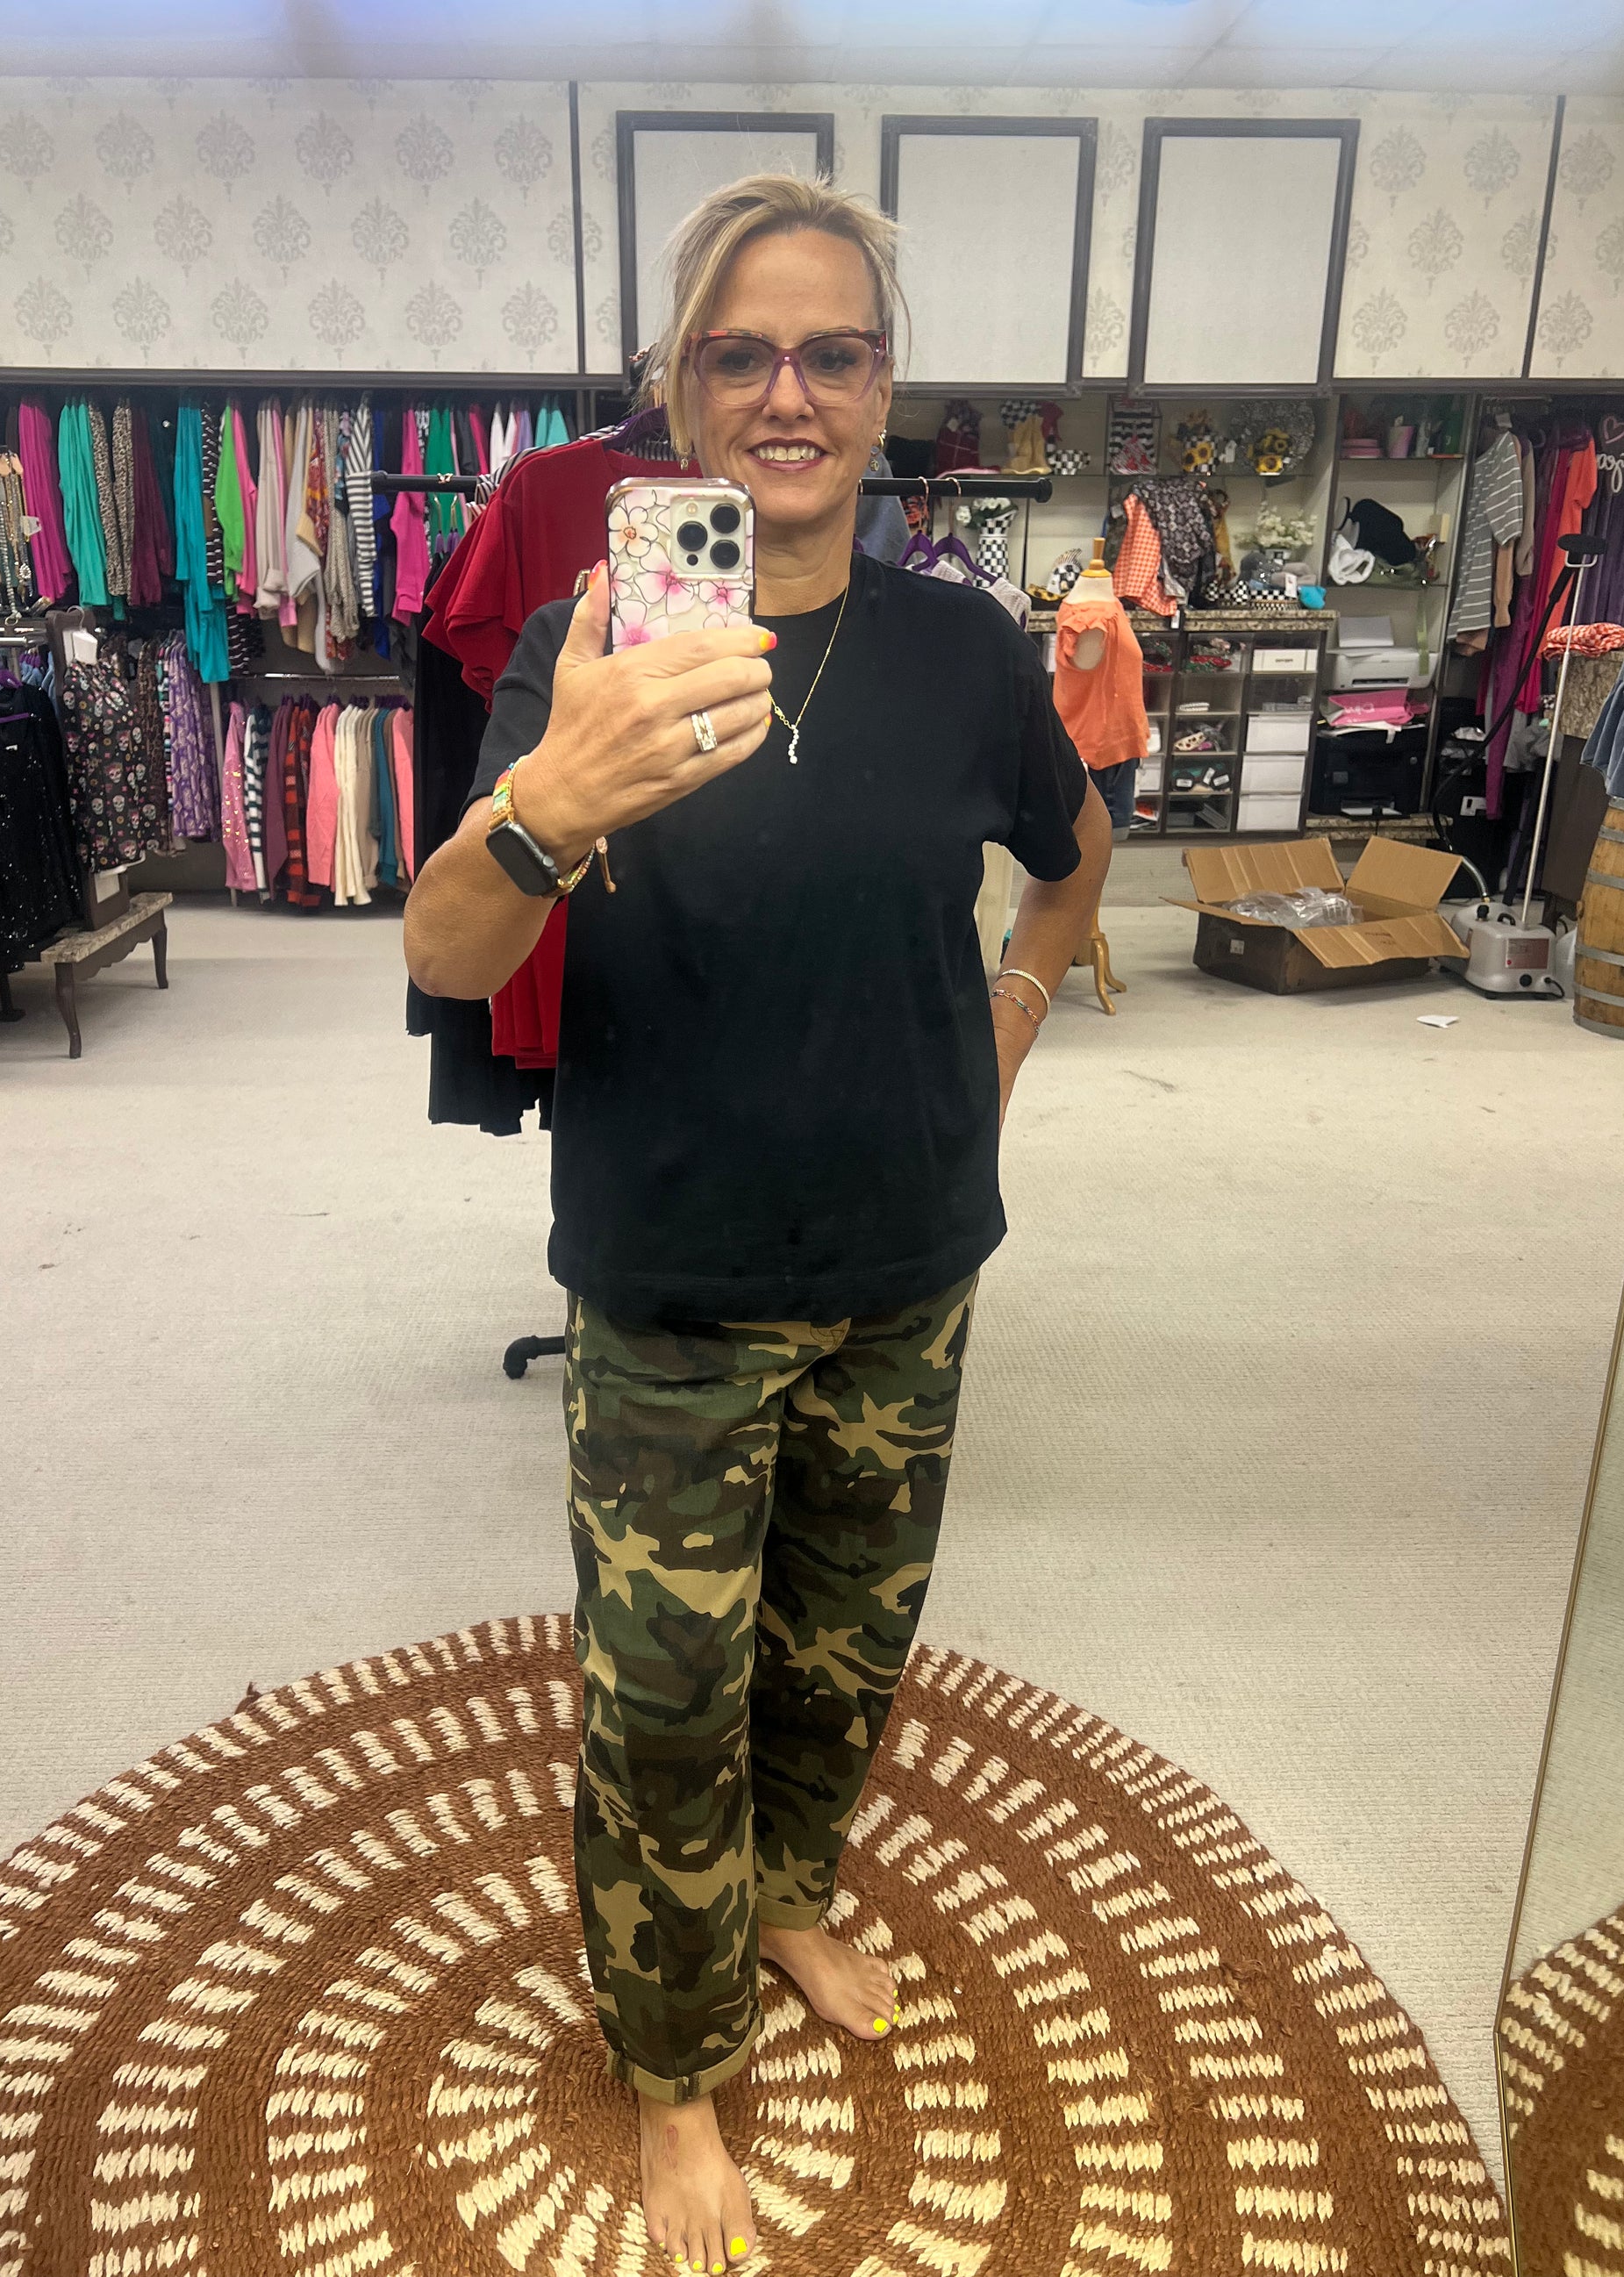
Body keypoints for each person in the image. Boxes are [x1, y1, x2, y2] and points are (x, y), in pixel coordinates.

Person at [404, 172, 1111, 2273]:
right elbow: (445, 953)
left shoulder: (962, 648)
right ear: (680, 391)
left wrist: (1005, 1022)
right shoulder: (587, 647)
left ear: (885, 389)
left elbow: (1069, 854)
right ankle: (673, 2064)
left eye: (832, 353)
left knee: (839, 1650)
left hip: (912, 1256)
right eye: (740, 354)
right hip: (672, 1270)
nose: (787, 394)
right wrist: (553, 799)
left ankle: (789, 1891)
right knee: (659, 1701)